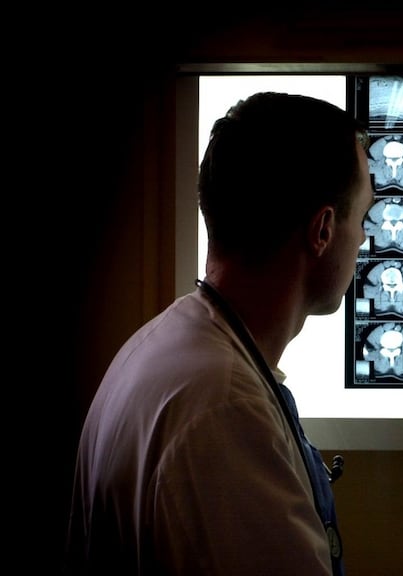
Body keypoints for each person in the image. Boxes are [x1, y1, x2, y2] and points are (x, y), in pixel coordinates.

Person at [65, 92, 373, 575]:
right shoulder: (225, 411)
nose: (364, 239)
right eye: (363, 217)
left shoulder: (163, 342)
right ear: (323, 230)